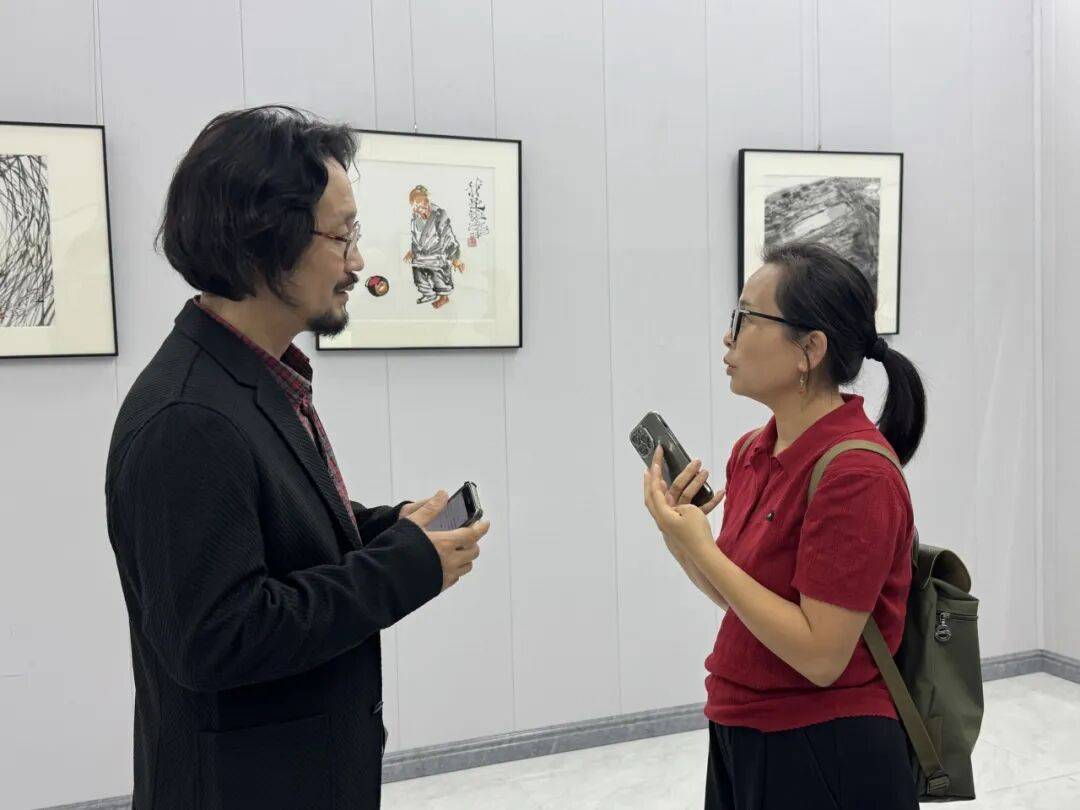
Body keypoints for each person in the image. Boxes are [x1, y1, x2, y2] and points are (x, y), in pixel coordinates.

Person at [104, 105, 489, 810]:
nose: (357, 262)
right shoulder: (188, 419)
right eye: (343, 236)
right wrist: (401, 568)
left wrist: (387, 527)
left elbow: (271, 529)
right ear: (264, 241)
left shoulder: (249, 379)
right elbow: (216, 638)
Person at [643, 241, 925, 809]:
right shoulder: (752, 450)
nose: (728, 338)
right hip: (741, 726)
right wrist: (681, 539)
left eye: (746, 318)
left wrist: (705, 550)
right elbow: (742, 603)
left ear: (809, 350)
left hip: (824, 746)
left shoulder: (857, 474)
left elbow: (821, 656)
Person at [402, 184, 464, 309]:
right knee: (418, 273)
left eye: (420, 203)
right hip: (421, 255)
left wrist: (455, 257)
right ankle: (428, 294)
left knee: (438, 277)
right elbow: (415, 237)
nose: (417, 207)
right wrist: (412, 251)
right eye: (414, 204)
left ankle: (444, 297)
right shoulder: (415, 217)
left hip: (437, 253)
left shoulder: (439, 215)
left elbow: (448, 236)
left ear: (426, 201)